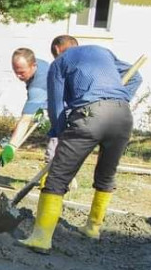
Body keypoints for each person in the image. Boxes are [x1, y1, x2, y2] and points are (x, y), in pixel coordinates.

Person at [19, 35, 142, 254]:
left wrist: (60, 131)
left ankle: (41, 238)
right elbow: (136, 77)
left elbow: (56, 105)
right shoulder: (102, 52)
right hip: (123, 116)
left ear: (57, 50)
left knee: (57, 177)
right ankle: (93, 228)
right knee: (106, 175)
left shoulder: (59, 63)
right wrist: (118, 99)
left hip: (89, 116)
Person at [0, 48, 49, 167]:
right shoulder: (37, 64)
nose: (18, 76)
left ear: (33, 65)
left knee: (54, 154)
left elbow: (25, 120)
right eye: (15, 71)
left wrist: (11, 146)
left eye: (22, 72)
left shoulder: (37, 86)